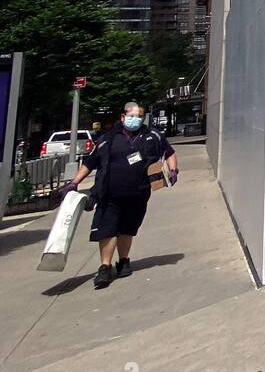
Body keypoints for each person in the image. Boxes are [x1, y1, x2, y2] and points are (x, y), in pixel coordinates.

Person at [62, 101, 178, 289]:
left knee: (127, 228)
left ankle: (123, 261)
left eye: (140, 116)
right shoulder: (108, 139)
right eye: (132, 116)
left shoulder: (153, 136)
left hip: (138, 193)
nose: (136, 119)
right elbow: (90, 162)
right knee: (107, 228)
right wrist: (75, 182)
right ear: (123, 117)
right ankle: (105, 267)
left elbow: (170, 152)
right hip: (109, 193)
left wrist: (173, 171)